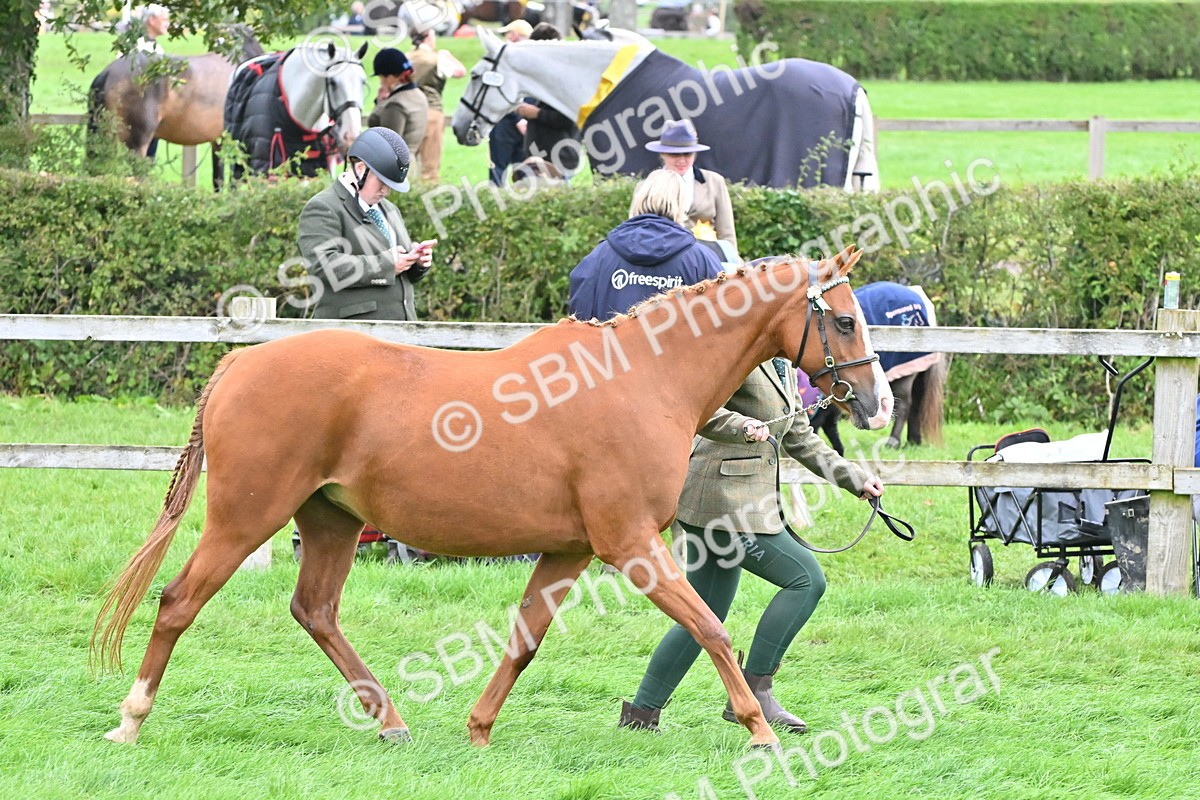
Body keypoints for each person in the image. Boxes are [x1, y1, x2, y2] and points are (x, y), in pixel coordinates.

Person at [618, 349, 884, 734]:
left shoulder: (783, 366)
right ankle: (754, 692)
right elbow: (699, 410)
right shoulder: (737, 354)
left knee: (704, 613)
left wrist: (855, 479)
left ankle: (640, 715)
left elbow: (800, 438)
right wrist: (740, 425)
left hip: (727, 503)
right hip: (723, 502)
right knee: (806, 580)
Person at [297, 127, 436, 321]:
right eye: (382, 182)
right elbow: (324, 267)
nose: (386, 191)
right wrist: (386, 264)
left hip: (402, 330)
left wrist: (416, 262)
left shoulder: (389, 209)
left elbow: (399, 273)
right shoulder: (323, 207)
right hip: (351, 332)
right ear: (361, 169)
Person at [568, 169, 721, 321]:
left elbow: (579, 318)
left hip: (611, 338)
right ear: (682, 205)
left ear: (639, 198)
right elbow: (721, 318)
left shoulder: (600, 256)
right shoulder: (701, 259)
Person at [645, 118, 738, 256]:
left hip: (707, 259)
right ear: (662, 154)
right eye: (674, 154)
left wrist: (733, 262)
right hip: (661, 258)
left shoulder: (714, 182)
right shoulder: (647, 186)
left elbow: (727, 233)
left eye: (687, 153)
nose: (682, 160)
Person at [515, 23, 581, 180]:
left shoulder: (567, 79)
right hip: (540, 158)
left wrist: (537, 113)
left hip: (559, 159)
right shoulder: (545, 77)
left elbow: (569, 118)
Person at [410, 28, 466, 183]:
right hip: (431, 111)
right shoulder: (437, 59)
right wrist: (447, 55)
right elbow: (460, 72)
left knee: (404, 160)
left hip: (407, 112)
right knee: (430, 164)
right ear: (428, 37)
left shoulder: (405, 57)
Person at [485, 20, 534, 185]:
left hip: (509, 122)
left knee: (505, 170)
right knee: (511, 171)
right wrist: (520, 119)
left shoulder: (504, 61)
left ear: (513, 35)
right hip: (514, 121)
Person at [368, 48, 429, 155]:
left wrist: (380, 103)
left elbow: (388, 147)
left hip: (394, 164)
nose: (381, 82)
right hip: (412, 160)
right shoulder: (419, 95)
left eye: (381, 77)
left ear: (391, 77)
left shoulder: (395, 105)